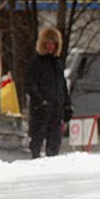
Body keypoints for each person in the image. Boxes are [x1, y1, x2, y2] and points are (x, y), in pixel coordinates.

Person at [26, 26, 73, 159]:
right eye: (48, 43)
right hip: (40, 110)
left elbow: (62, 86)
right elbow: (30, 84)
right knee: (37, 139)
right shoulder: (36, 63)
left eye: (53, 44)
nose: (50, 47)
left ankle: (52, 163)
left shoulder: (57, 63)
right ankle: (35, 161)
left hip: (56, 109)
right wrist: (40, 102)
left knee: (54, 141)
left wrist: (67, 104)